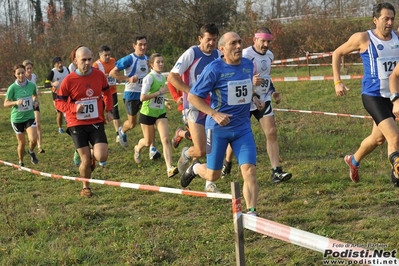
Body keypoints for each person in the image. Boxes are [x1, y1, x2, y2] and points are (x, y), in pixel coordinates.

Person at [181, 32, 259, 215]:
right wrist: (214, 114)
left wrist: (255, 98)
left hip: (242, 128)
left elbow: (244, 89)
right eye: (233, 43)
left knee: (249, 170)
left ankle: (252, 212)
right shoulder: (214, 68)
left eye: (240, 42)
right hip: (217, 129)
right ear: (222, 49)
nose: (239, 46)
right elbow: (193, 96)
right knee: (213, 175)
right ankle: (194, 168)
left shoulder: (248, 65)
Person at [332, 2, 399, 186]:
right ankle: (397, 175)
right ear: (375, 20)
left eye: (393, 19)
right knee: (394, 137)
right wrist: (337, 81)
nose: (390, 23)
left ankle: (353, 160)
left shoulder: (397, 38)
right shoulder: (363, 38)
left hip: (393, 96)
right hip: (373, 96)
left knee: (378, 139)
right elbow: (337, 53)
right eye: (386, 19)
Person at [221, 27, 292, 183]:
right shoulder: (245, 54)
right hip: (245, 100)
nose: (266, 44)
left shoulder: (270, 56)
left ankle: (276, 171)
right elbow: (235, 75)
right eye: (263, 41)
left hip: (263, 99)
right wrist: (250, 82)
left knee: (272, 131)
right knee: (237, 134)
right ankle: (227, 162)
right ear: (255, 40)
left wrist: (273, 91)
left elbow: (266, 77)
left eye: (268, 41)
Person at [167, 23, 221, 192]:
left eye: (214, 39)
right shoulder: (192, 53)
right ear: (200, 38)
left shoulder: (218, 55)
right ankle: (186, 154)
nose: (211, 43)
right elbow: (172, 77)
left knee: (214, 145)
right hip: (194, 106)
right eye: (208, 39)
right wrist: (190, 91)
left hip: (213, 106)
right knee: (200, 149)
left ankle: (209, 183)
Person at [55, 46, 113, 197]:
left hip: (95, 121)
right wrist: (74, 107)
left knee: (102, 156)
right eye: (83, 60)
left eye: (89, 59)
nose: (87, 63)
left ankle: (90, 152)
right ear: (75, 61)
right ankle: (85, 186)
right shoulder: (69, 80)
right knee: (85, 160)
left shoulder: (99, 75)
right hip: (76, 123)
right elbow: (59, 103)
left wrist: (109, 109)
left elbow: (107, 91)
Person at [109, 35, 161, 160]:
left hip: (145, 95)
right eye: (140, 44)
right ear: (134, 46)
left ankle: (152, 149)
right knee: (132, 124)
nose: (143, 47)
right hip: (131, 95)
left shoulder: (148, 60)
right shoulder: (129, 59)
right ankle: (122, 131)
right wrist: (128, 79)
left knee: (151, 121)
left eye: (145, 44)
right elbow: (112, 73)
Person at [133, 53, 179, 177]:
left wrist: (165, 101)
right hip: (147, 113)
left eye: (162, 62)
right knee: (148, 142)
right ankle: (137, 148)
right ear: (152, 64)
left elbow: (160, 95)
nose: (161, 64)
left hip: (160, 112)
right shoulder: (149, 78)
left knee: (165, 139)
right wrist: (159, 92)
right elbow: (142, 97)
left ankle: (169, 168)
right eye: (158, 62)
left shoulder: (162, 77)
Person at [4, 64, 39, 167]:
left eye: (22, 73)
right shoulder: (12, 88)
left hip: (29, 116)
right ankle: (21, 162)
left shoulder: (31, 85)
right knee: (22, 143)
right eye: (18, 73)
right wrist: (15, 102)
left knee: (33, 140)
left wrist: (35, 101)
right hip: (17, 119)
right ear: (15, 75)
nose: (21, 75)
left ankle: (31, 151)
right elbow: (5, 103)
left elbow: (34, 95)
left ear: (26, 72)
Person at [23, 59, 45, 154]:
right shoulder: (22, 79)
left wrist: (36, 95)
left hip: (34, 102)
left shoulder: (34, 76)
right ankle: (23, 144)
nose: (29, 70)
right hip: (25, 105)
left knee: (38, 123)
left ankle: (40, 146)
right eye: (27, 68)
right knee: (24, 127)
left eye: (30, 68)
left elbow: (34, 87)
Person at [44, 56, 70, 133]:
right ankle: (60, 128)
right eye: (58, 63)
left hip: (66, 93)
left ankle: (70, 126)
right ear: (54, 65)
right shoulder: (52, 72)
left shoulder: (66, 69)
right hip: (57, 94)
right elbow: (45, 84)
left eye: (61, 62)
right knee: (60, 112)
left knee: (68, 110)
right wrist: (52, 84)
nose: (60, 64)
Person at [168, 81, 191, 149]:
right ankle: (179, 133)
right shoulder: (182, 70)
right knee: (194, 135)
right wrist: (177, 97)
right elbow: (171, 81)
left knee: (205, 133)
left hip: (204, 103)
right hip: (186, 105)